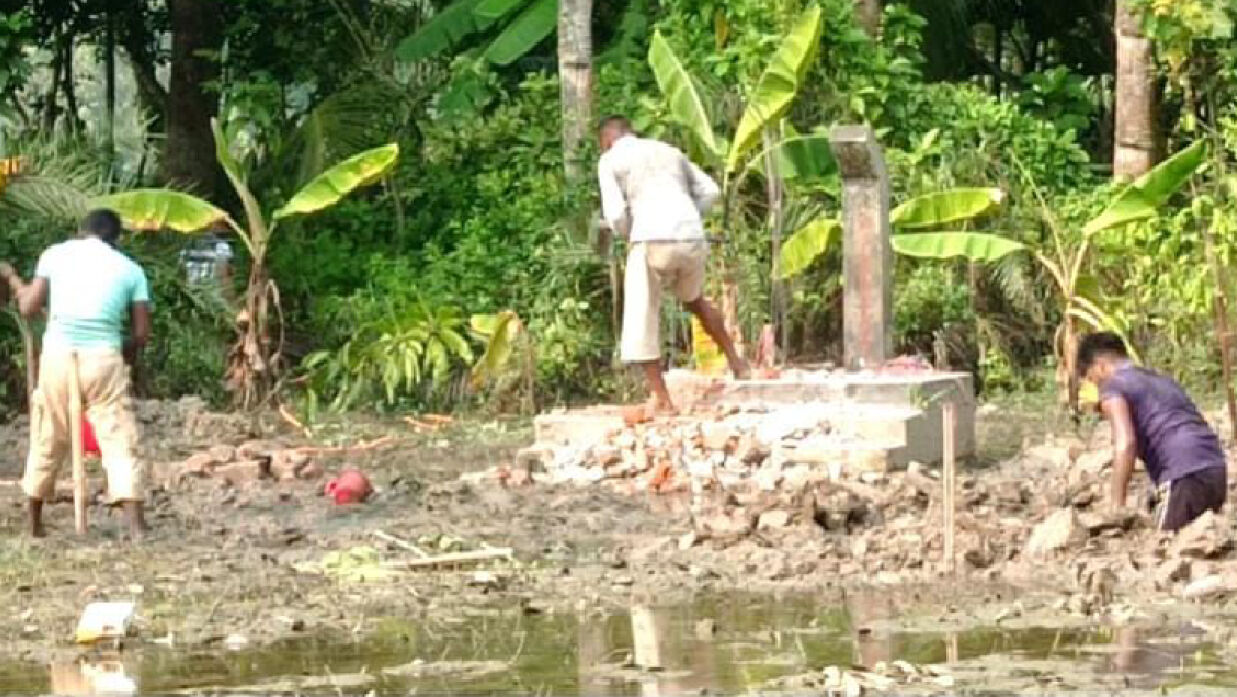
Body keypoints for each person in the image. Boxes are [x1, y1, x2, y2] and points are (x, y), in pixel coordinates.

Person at [1, 209, 151, 538]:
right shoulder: (131, 270)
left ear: (82, 231)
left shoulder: (55, 254)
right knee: (118, 436)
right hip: (103, 359)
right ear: (116, 238)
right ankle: (135, 525)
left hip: (57, 356)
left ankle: (35, 522)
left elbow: (28, 307)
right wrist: (117, 348)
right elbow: (141, 335)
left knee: (48, 433)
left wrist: (13, 280)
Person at [597, 115, 749, 415]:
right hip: (692, 235)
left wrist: (631, 233)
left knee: (641, 315)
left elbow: (614, 214)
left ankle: (662, 399)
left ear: (606, 140)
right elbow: (712, 192)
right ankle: (737, 363)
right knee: (695, 301)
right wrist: (689, 216)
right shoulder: (668, 150)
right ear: (632, 131)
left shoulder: (610, 160)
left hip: (651, 237)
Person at [1078, 332, 1227, 532]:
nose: (1096, 386)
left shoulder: (1112, 384)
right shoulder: (1162, 380)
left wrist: (1115, 507)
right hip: (1216, 470)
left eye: (1092, 379)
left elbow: (1125, 444)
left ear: (1101, 366)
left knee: (1165, 547)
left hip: (1183, 474)